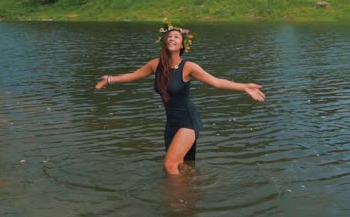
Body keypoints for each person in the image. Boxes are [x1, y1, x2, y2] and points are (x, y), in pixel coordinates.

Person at [95, 19, 265, 175]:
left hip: (188, 121)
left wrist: (244, 87)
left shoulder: (188, 67)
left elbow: (216, 82)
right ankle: (190, 195)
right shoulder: (155, 65)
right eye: (169, 36)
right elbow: (133, 76)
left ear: (183, 44)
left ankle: (177, 203)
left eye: (176, 36)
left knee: (169, 165)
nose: (172, 39)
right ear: (164, 41)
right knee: (182, 165)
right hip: (171, 123)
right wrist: (109, 79)